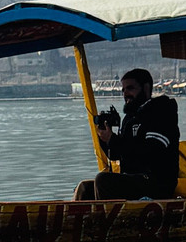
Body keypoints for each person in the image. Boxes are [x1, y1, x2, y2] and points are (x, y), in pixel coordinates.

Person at [73, 68, 179, 200]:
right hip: (133, 180)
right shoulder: (130, 119)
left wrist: (113, 140)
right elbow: (117, 154)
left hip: (157, 183)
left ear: (146, 88)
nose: (125, 94)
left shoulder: (161, 112)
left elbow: (152, 152)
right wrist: (105, 139)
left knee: (103, 180)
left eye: (130, 88)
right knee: (85, 188)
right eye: (123, 90)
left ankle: (106, 220)